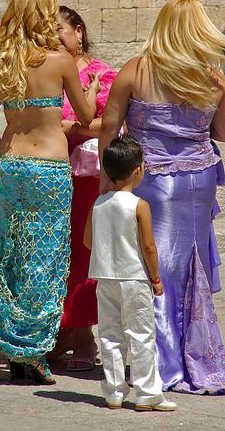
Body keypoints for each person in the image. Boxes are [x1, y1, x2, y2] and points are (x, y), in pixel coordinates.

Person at [98, 0, 225, 394]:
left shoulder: (136, 70)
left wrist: (107, 179)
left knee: (153, 268)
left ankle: (160, 363)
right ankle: (199, 359)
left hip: (152, 181)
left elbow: (109, 126)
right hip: (198, 181)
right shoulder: (211, 78)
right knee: (190, 268)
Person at [0, 0, 99, 385]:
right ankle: (34, 352)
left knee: (10, 253)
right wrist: (94, 90)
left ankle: (14, 348)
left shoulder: (0, 61)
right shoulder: (61, 61)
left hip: (10, 163)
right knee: (44, 259)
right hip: (48, 167)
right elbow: (82, 114)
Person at [84, 135, 177, 411]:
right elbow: (148, 246)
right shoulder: (139, 205)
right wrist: (156, 278)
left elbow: (88, 241)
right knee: (141, 334)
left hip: (105, 276)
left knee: (110, 334)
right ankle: (147, 393)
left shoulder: (98, 204)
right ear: (138, 170)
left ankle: (113, 392)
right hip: (134, 278)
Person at [49, 6, 117, 371]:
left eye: (60, 29)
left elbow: (114, 120)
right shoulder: (48, 68)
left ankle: (84, 334)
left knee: (85, 253)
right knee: (59, 253)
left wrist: (74, 128)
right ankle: (62, 329)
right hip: (55, 171)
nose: (55, 36)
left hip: (89, 175)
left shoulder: (103, 73)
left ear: (79, 31)